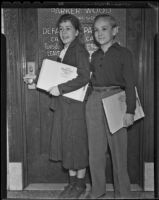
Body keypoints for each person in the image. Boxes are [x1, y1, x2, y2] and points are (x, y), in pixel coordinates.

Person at [85, 14, 136, 199]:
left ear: (115, 31)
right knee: (95, 152)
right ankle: (97, 190)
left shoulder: (124, 53)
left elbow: (130, 84)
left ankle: (123, 194)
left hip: (115, 99)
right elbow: (90, 81)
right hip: (94, 102)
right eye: (96, 30)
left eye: (104, 29)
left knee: (118, 152)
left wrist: (130, 111)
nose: (99, 33)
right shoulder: (95, 55)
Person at [48, 14, 90, 199]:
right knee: (68, 144)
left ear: (77, 32)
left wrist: (60, 88)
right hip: (65, 106)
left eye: (68, 28)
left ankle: (80, 185)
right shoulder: (64, 51)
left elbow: (84, 77)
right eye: (61, 29)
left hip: (75, 107)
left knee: (77, 143)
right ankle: (72, 184)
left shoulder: (79, 49)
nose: (63, 32)